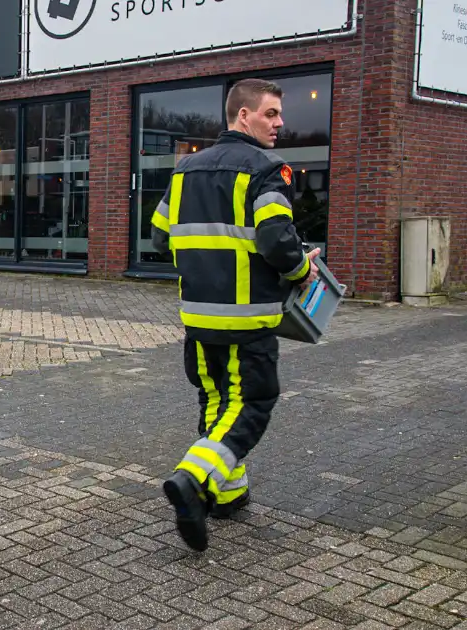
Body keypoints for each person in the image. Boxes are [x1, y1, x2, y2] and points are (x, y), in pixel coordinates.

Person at [150, 78, 320, 552]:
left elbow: (160, 236)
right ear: (243, 116)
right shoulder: (267, 170)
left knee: (215, 402)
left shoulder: (186, 170)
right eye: (271, 114)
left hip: (198, 320)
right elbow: (276, 241)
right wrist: (303, 266)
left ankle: (228, 494)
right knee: (251, 405)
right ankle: (193, 477)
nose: (280, 123)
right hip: (248, 322)